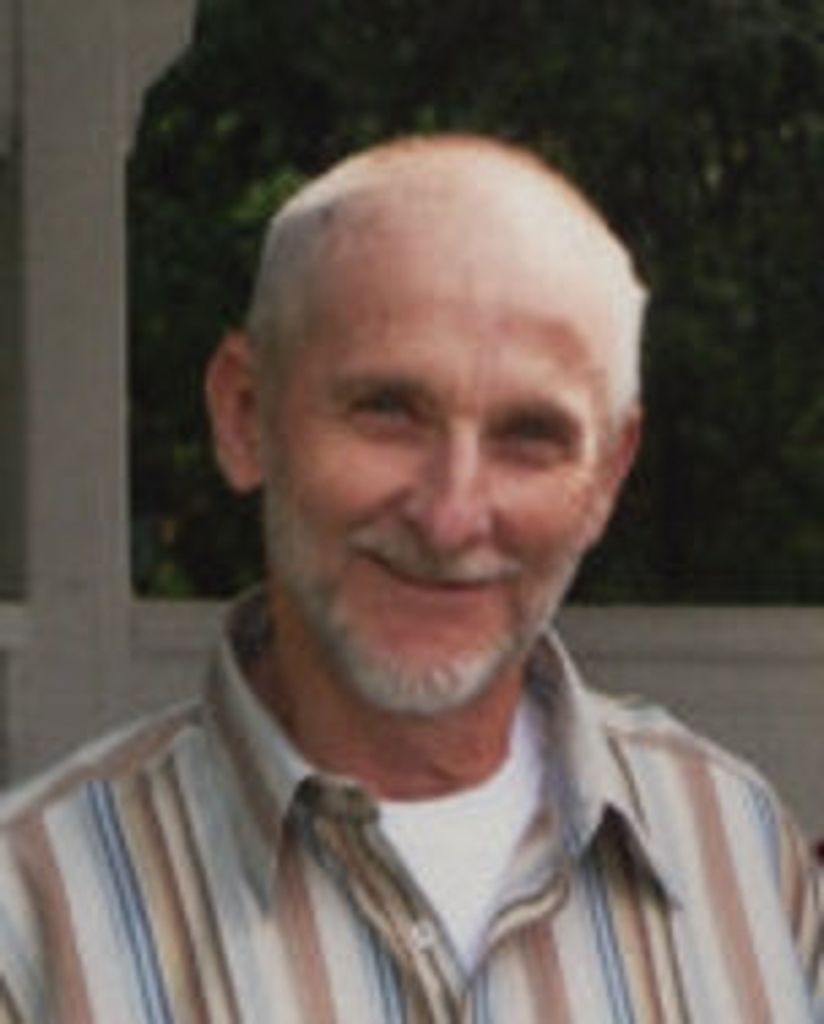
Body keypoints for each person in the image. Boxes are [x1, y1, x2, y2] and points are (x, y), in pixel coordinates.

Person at [0, 135, 821, 1023]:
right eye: (388, 411)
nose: (452, 516)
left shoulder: (736, 846)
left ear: (607, 477)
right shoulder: (32, 919)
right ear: (245, 416)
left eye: (530, 436)